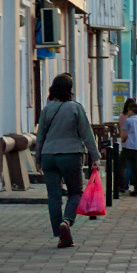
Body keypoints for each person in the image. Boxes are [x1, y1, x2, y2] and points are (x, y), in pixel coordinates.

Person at [34, 73, 99, 248]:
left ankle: (59, 233)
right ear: (70, 90)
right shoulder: (75, 108)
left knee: (54, 196)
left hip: (48, 156)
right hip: (70, 155)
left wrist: (38, 158)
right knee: (75, 192)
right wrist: (95, 156)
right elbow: (87, 134)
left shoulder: (46, 110)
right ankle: (67, 221)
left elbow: (40, 137)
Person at [117, 100, 137, 197]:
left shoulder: (128, 120)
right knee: (136, 168)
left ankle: (123, 186)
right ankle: (136, 188)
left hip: (128, 146)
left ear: (131, 110)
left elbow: (124, 135)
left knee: (123, 165)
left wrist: (124, 139)